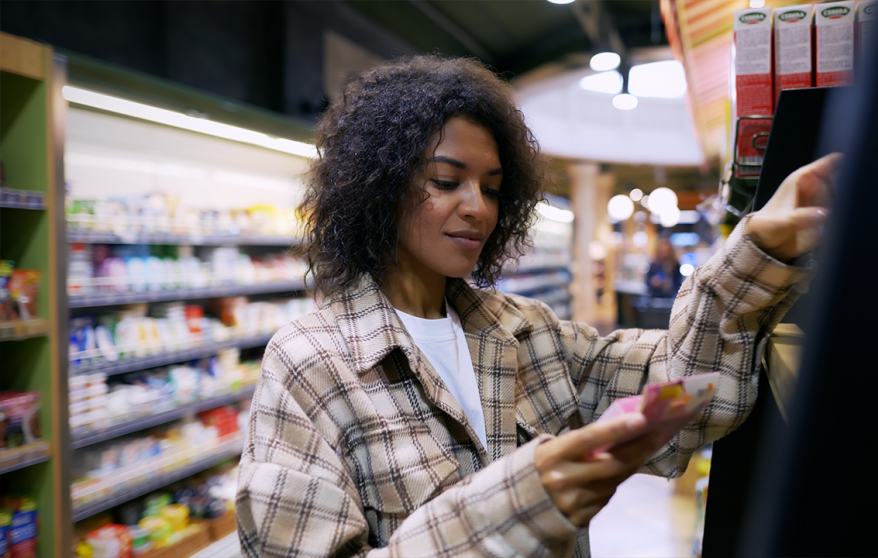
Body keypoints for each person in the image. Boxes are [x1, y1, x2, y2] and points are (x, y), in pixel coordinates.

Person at [235, 55, 836, 558]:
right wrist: (515, 505)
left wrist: (757, 250)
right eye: (446, 181)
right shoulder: (311, 364)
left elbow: (683, 381)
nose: (479, 207)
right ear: (378, 185)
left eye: (493, 188)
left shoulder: (526, 332)